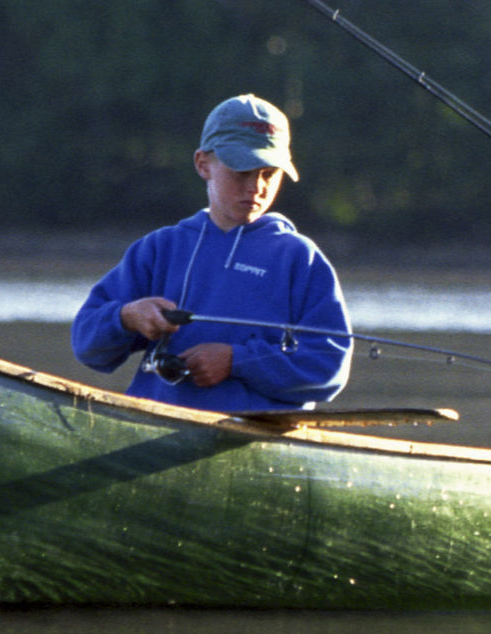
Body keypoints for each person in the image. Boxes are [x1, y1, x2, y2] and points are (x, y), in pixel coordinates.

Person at [72, 94, 353, 414]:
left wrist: (236, 361)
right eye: (241, 171)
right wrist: (128, 317)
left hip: (257, 440)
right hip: (153, 426)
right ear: (203, 164)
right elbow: (86, 344)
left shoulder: (300, 258)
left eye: (268, 174)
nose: (256, 187)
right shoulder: (159, 248)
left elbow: (329, 366)